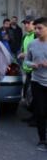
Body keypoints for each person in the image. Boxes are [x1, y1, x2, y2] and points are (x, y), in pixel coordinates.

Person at [24, 17, 47, 152]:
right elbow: (26, 62)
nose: (37, 31)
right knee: (40, 111)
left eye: (40, 28)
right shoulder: (32, 44)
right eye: (36, 28)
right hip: (37, 82)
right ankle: (42, 140)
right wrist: (33, 64)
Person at [18, 15, 36, 123]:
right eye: (24, 23)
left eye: (28, 23)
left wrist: (25, 55)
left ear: (34, 24)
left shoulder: (36, 36)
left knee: (35, 96)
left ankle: (37, 119)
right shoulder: (25, 36)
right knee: (28, 95)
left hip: (36, 71)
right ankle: (34, 116)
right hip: (28, 70)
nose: (26, 25)